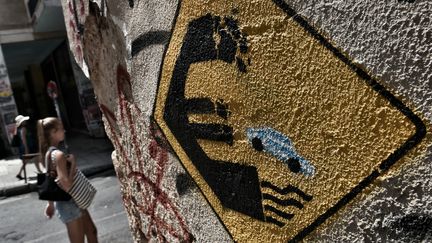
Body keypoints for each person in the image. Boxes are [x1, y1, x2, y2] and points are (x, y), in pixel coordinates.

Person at [37, 117, 98, 243]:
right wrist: (73, 164)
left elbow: (50, 180)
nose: (64, 131)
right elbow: (66, 184)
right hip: (68, 203)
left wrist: (50, 204)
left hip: (73, 200)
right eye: (60, 129)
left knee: (92, 231)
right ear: (53, 133)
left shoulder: (47, 154)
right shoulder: (58, 155)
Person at [14, 115, 42, 180]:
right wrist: (26, 149)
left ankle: (39, 170)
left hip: (26, 146)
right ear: (22, 122)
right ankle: (19, 173)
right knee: (28, 160)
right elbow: (24, 139)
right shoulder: (23, 129)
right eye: (24, 120)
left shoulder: (19, 129)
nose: (25, 121)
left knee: (35, 158)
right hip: (27, 147)